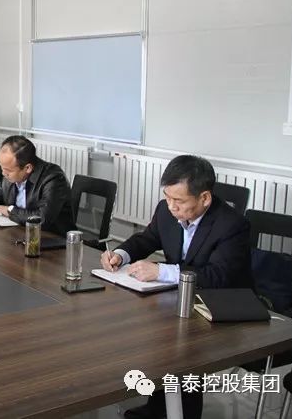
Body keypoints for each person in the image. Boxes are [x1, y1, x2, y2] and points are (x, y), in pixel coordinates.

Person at [100, 155, 252, 419]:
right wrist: (121, 255)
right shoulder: (165, 210)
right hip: (180, 301)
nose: (171, 206)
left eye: (178, 201)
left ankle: (181, 413)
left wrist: (161, 271)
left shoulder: (232, 225)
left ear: (204, 198)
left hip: (219, 308)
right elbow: (147, 239)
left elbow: (219, 276)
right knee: (152, 333)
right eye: (167, 197)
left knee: (183, 348)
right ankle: (158, 407)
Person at [0, 135, 75, 233]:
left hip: (52, 239)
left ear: (28, 168)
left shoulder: (53, 178)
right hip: (19, 232)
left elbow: (42, 218)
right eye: (1, 167)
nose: (3, 173)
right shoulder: (10, 173)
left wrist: (9, 211)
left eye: (8, 170)